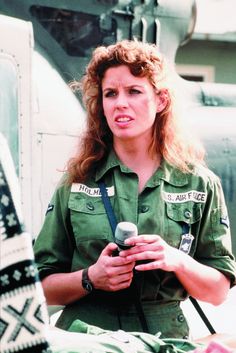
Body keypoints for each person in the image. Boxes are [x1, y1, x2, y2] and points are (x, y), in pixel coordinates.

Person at [33, 40, 236, 339]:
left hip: (164, 339)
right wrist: (91, 277)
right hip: (86, 339)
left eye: (134, 91)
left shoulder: (200, 183)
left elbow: (218, 292)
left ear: (161, 100)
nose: (120, 104)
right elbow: (40, 287)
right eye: (110, 94)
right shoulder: (77, 181)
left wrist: (175, 259)